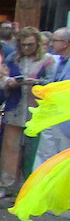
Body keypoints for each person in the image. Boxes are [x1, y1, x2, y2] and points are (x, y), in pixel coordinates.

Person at [0, 26, 56, 199]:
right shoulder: (13, 58)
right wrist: (10, 82)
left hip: (36, 112)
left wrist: (35, 82)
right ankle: (6, 185)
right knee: (10, 149)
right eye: (23, 45)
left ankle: (26, 187)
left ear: (37, 43)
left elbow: (51, 83)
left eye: (30, 45)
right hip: (15, 109)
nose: (26, 48)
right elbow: (0, 79)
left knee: (31, 151)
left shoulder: (47, 60)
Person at [35, 28, 70, 166]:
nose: (51, 44)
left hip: (65, 118)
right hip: (50, 116)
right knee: (46, 156)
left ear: (66, 43)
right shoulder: (54, 61)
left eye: (54, 41)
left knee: (64, 160)